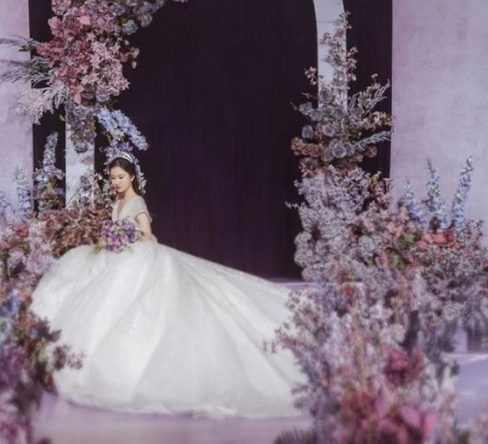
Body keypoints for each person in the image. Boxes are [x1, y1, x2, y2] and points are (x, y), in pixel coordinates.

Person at [29, 153, 303, 418]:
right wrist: (111, 237)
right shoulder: (117, 202)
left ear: (131, 176)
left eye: (120, 177)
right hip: (117, 254)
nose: (116, 183)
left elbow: (148, 236)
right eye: (112, 178)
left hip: (137, 254)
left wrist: (125, 234)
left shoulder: (137, 202)